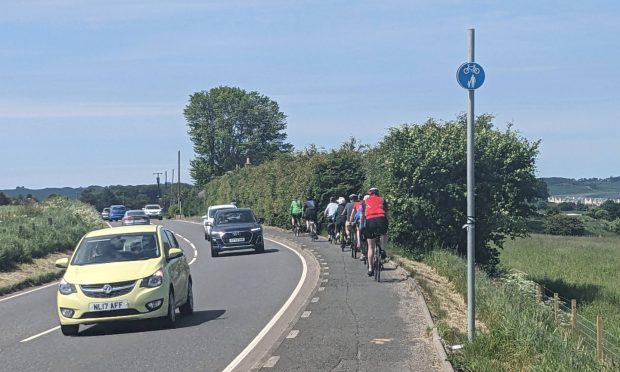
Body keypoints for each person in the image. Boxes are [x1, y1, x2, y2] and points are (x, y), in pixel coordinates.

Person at [363, 187, 388, 276]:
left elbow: (362, 216)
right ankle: (383, 250)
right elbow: (387, 214)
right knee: (385, 234)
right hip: (381, 219)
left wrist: (363, 226)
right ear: (378, 193)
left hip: (370, 221)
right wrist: (387, 223)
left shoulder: (365, 201)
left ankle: (370, 268)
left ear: (370, 194)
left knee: (370, 247)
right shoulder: (382, 200)